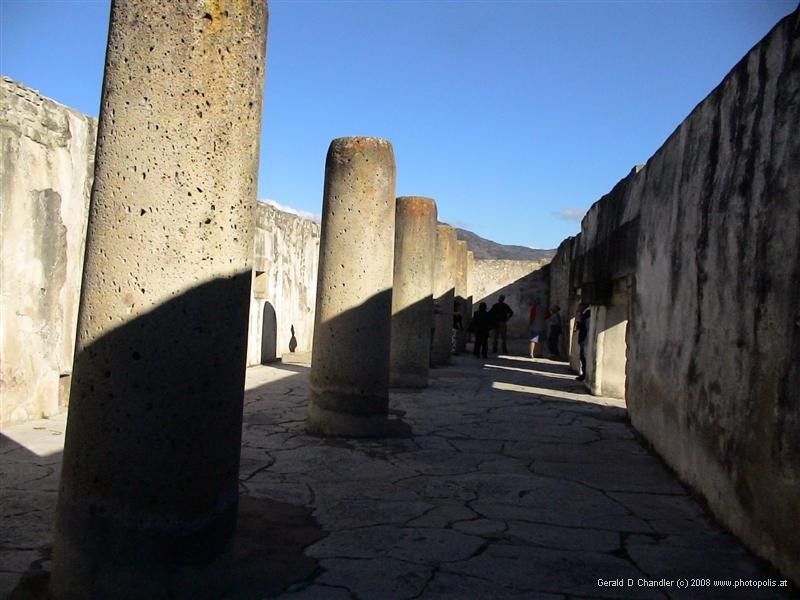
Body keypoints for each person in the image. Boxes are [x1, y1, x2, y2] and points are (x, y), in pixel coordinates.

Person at [575, 303, 590, 380]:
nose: (578, 308)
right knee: (582, 356)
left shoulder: (587, 313)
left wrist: (582, 340)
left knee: (583, 356)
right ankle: (583, 374)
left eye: (579, 306)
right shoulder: (584, 313)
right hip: (583, 338)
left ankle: (584, 375)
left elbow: (585, 327)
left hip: (585, 338)